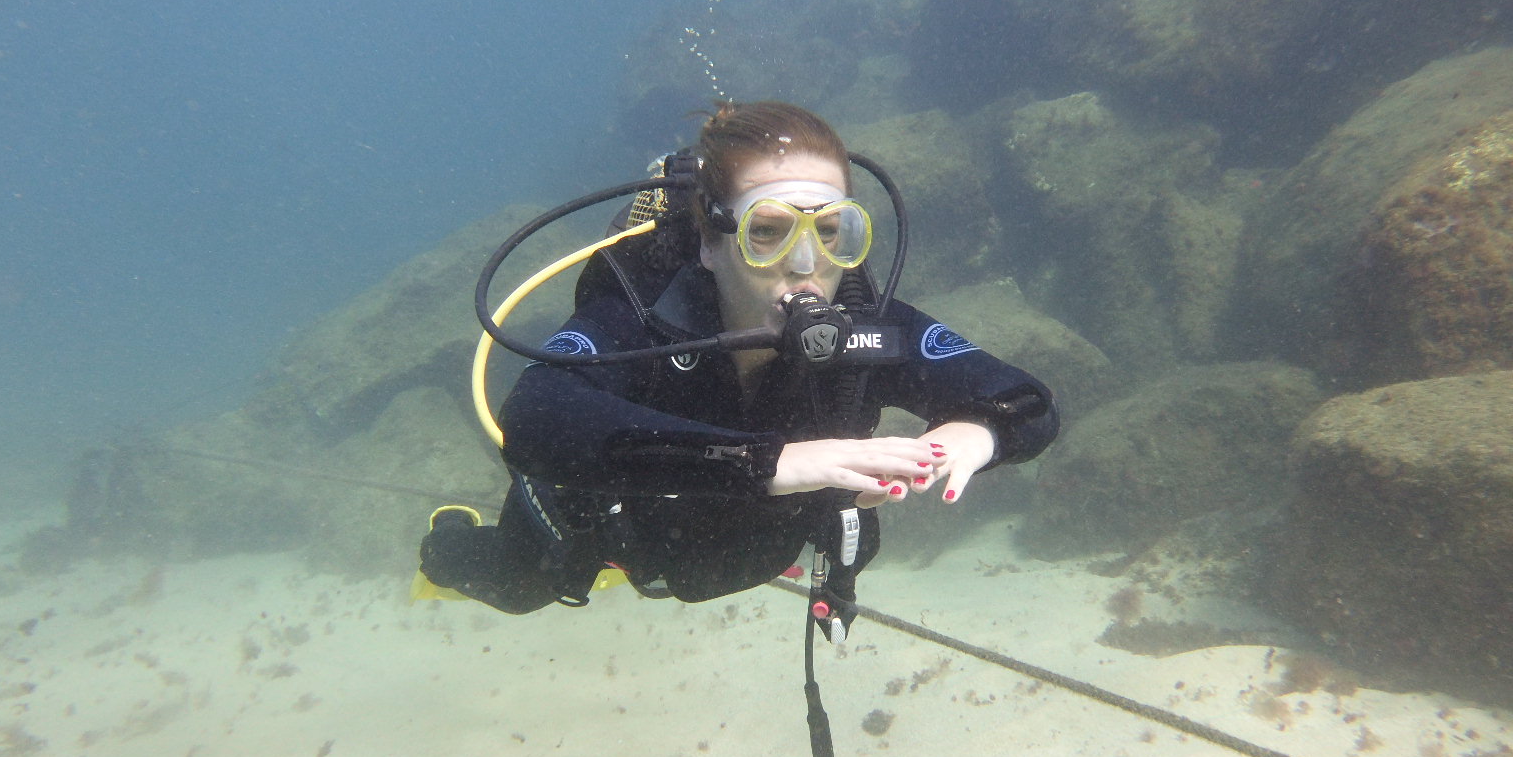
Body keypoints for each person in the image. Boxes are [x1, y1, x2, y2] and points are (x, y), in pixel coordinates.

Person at [419, 101, 1057, 627]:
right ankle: (444, 542)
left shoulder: (864, 320)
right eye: (767, 231)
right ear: (709, 241)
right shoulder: (642, 316)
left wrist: (973, 434)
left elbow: (1027, 402)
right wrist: (767, 462)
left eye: (829, 232)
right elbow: (537, 415)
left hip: (742, 546)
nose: (806, 265)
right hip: (611, 528)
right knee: (517, 586)